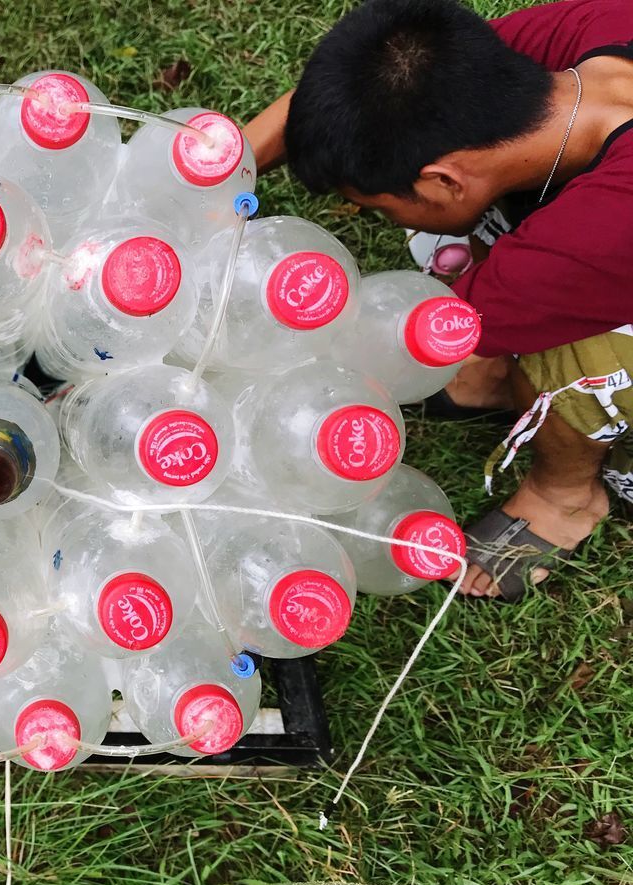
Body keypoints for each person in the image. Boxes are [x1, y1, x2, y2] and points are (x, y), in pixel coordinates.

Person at [243, 0, 633, 600]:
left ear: (443, 180)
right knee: (465, 245)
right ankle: (497, 377)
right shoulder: (585, 37)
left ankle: (567, 496)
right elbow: (369, 90)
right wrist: (222, 171)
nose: (377, 215)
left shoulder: (601, 231)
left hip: (604, 260)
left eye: (378, 205)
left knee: (570, 357)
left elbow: (421, 335)